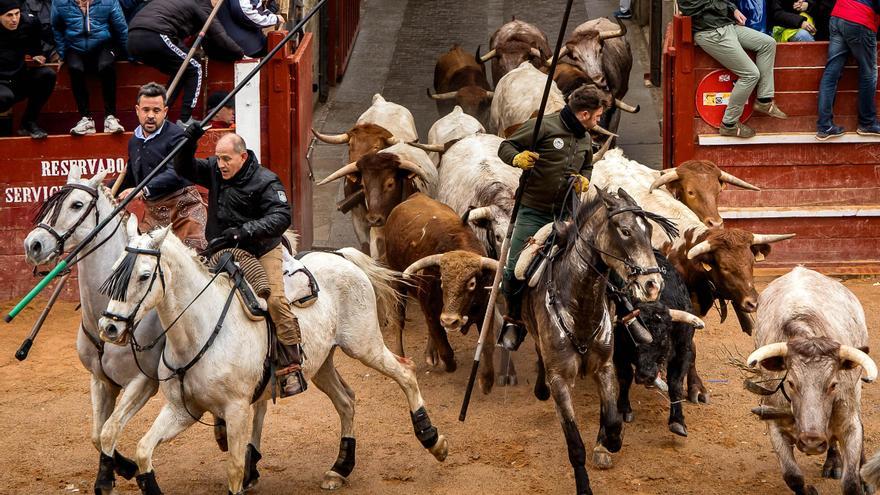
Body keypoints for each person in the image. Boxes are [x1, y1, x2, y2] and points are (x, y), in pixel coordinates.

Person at [174, 126, 306, 398]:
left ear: (243, 157)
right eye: (218, 158)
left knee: (275, 301)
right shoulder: (214, 170)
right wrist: (190, 140)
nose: (220, 165)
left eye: (226, 159)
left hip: (260, 250)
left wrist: (246, 230)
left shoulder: (266, 181)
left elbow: (282, 216)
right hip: (221, 248)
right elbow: (183, 166)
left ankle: (292, 363)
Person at [495, 85, 608, 350]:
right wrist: (517, 158)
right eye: (597, 116)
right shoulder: (542, 127)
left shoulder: (584, 139)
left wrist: (584, 179)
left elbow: (588, 165)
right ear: (583, 114)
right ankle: (514, 319)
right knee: (514, 272)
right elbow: (505, 146)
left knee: (594, 264)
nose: (599, 121)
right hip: (533, 212)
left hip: (567, 214)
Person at [117, 83, 209, 250]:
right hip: (154, 216)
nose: (151, 115)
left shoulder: (176, 136)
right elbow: (131, 176)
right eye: (146, 110)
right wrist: (106, 192)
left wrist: (142, 189)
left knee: (195, 260)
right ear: (137, 110)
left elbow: (176, 171)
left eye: (156, 111)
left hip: (184, 212)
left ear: (165, 112)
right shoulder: (134, 141)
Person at [678, 0, 789, 138]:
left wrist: (733, 9)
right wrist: (725, 7)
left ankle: (764, 101)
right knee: (751, 74)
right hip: (710, 32)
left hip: (727, 26)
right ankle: (729, 124)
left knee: (768, 43)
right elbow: (690, 7)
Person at [127, 0, 244, 124]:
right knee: (195, 66)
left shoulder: (179, 3)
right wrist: (240, 54)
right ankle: (185, 119)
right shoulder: (202, 7)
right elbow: (219, 35)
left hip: (133, 40)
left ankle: (162, 115)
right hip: (155, 34)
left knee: (182, 69)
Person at [52, 0, 128, 135]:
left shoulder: (108, 1)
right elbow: (56, 27)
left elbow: (121, 28)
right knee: (75, 68)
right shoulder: (59, 2)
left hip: (103, 43)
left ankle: (110, 117)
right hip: (75, 45)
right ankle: (85, 118)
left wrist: (131, 54)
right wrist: (63, 53)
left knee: (106, 66)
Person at [816, 0, 880, 140]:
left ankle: (824, 126)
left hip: (838, 15)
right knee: (869, 73)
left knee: (831, 73)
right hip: (860, 19)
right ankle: (867, 123)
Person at [0, 0, 55, 139]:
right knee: (5, 97)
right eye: (9, 15)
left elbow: (35, 45)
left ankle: (28, 123)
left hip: (18, 79)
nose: (14, 19)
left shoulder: (29, 22)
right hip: (1, 85)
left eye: (17, 14)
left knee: (47, 75)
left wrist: (37, 54)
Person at [216, 0, 284, 58]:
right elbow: (244, 12)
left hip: (232, 43)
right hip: (245, 47)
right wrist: (274, 19)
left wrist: (271, 10)